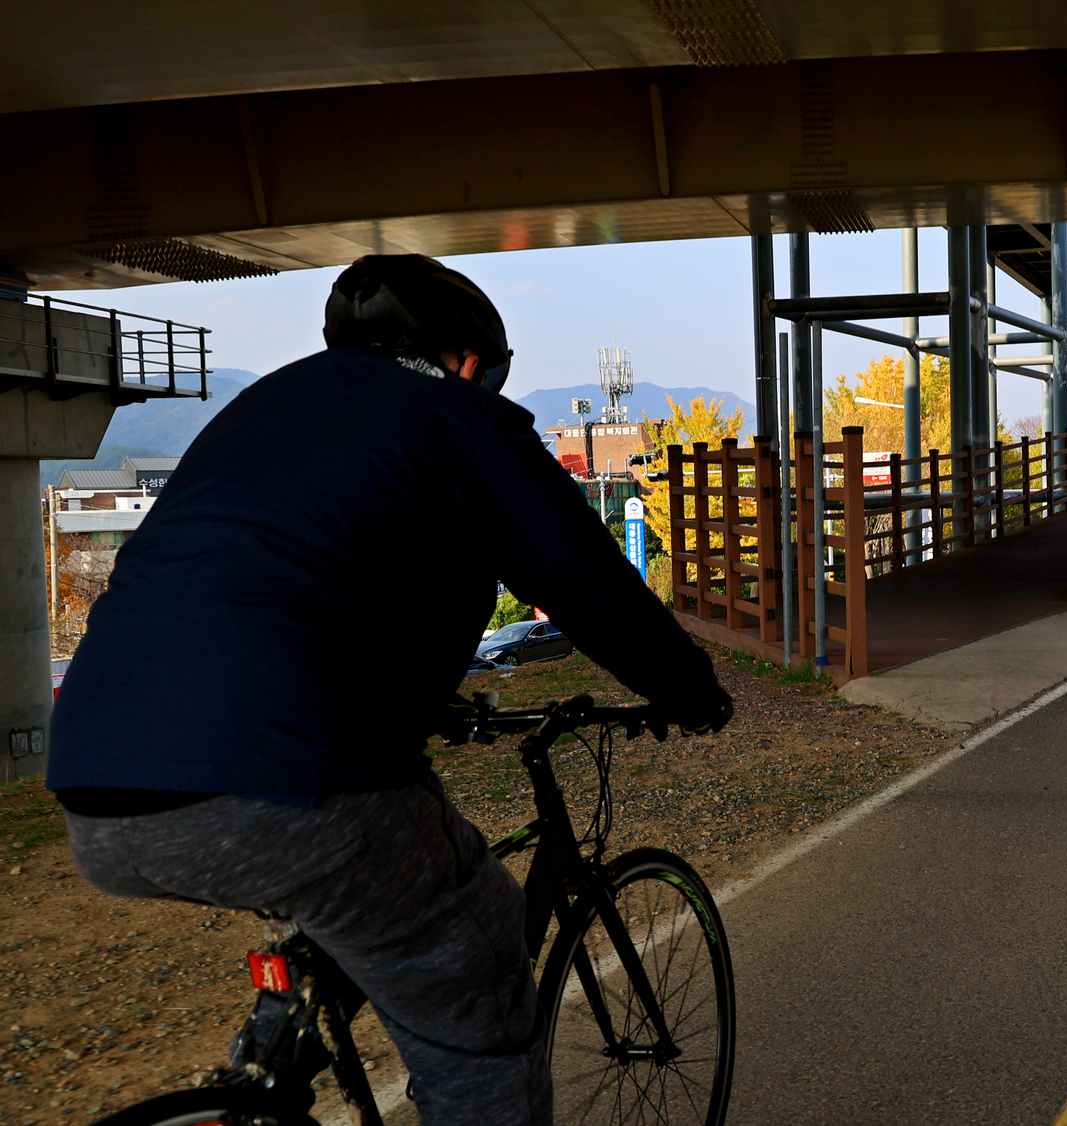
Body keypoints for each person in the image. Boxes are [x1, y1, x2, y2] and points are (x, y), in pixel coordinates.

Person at [46, 255, 731, 1126]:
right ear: (471, 361)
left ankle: (270, 1072)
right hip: (275, 780)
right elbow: (587, 580)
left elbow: (288, 580)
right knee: (478, 976)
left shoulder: (264, 410)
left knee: (352, 907)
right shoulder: (459, 419)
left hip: (96, 783)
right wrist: (690, 689)